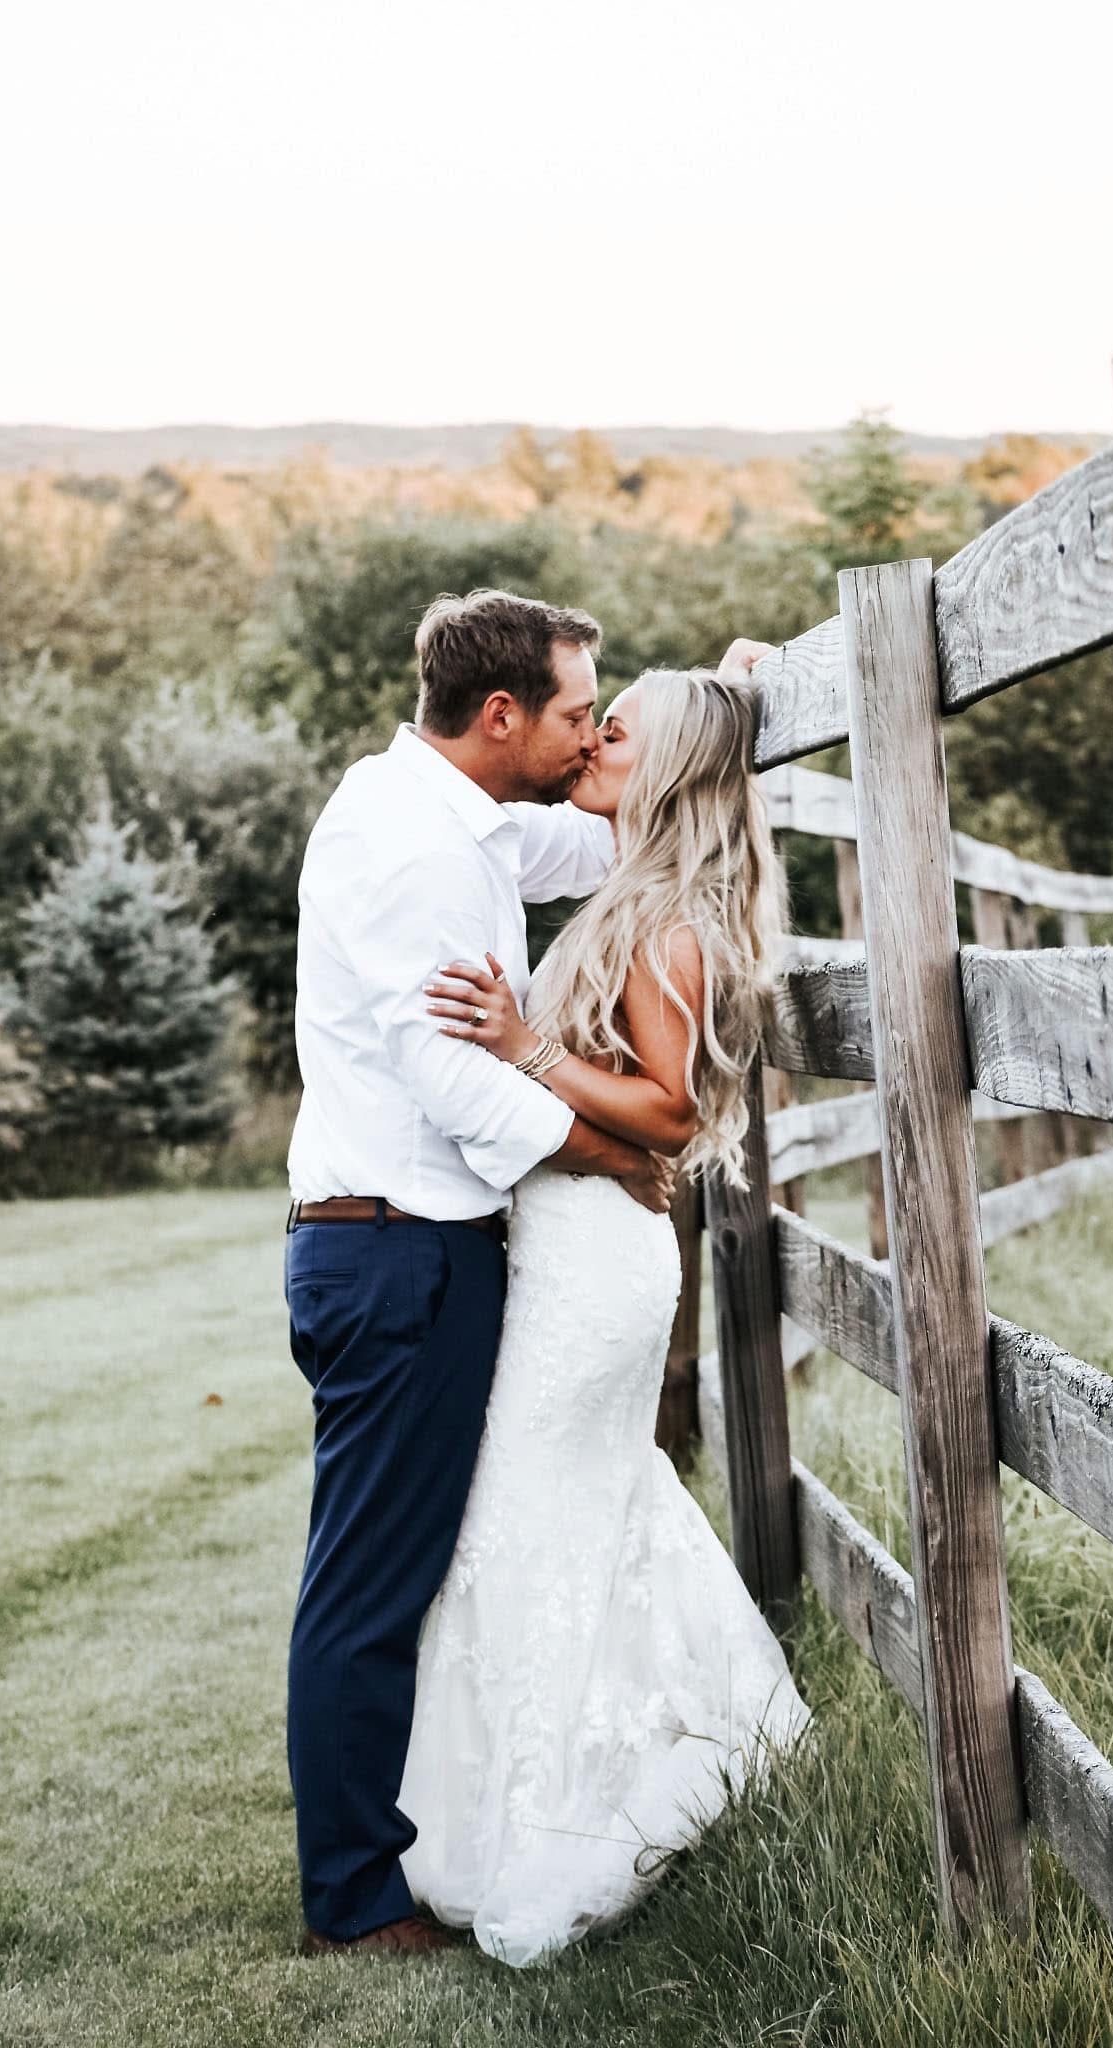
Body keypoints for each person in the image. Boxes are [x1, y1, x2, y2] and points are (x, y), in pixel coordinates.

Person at [285, 589, 688, 1958]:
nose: (591, 739)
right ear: (500, 713)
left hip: (410, 1245)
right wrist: (611, 1153)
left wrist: (726, 711)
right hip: (395, 1252)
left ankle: (396, 1849)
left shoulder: (449, 816)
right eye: (579, 712)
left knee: (401, 1570)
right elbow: (451, 1078)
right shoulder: (407, 846)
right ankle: (351, 1899)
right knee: (371, 1586)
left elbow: (597, 835)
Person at [395, 655, 815, 1966]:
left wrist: (526, 1052)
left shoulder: (677, 919)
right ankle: (639, 1743)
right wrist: (738, 667)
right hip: (575, 1248)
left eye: (611, 730)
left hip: (597, 1271)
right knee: (576, 1508)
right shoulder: (634, 884)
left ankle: (561, 1807)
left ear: (665, 762)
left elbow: (674, 1114)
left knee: (533, 1510)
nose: (590, 743)